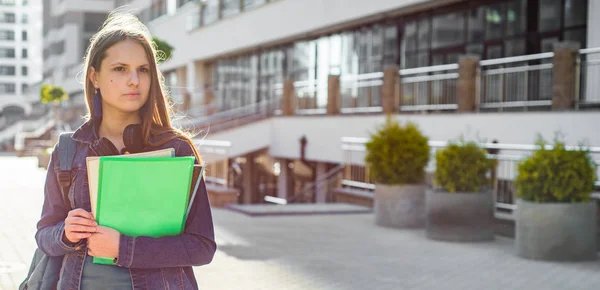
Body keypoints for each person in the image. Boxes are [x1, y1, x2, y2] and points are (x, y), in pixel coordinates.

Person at [35, 11, 216, 290]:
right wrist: (65, 232)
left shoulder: (175, 149)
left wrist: (124, 247)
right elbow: (44, 234)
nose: (134, 80)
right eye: (120, 69)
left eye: (143, 70)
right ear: (94, 76)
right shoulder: (68, 149)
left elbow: (202, 246)